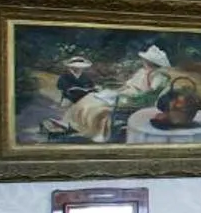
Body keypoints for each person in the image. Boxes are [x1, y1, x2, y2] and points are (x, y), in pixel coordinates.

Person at [47, 45, 177, 143]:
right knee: (89, 98)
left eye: (146, 60)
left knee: (97, 107)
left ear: (152, 62)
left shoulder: (159, 75)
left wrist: (128, 94)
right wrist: (118, 90)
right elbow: (128, 84)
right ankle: (71, 123)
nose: (144, 62)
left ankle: (89, 129)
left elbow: (150, 92)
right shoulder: (142, 71)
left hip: (134, 99)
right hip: (126, 93)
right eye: (145, 60)